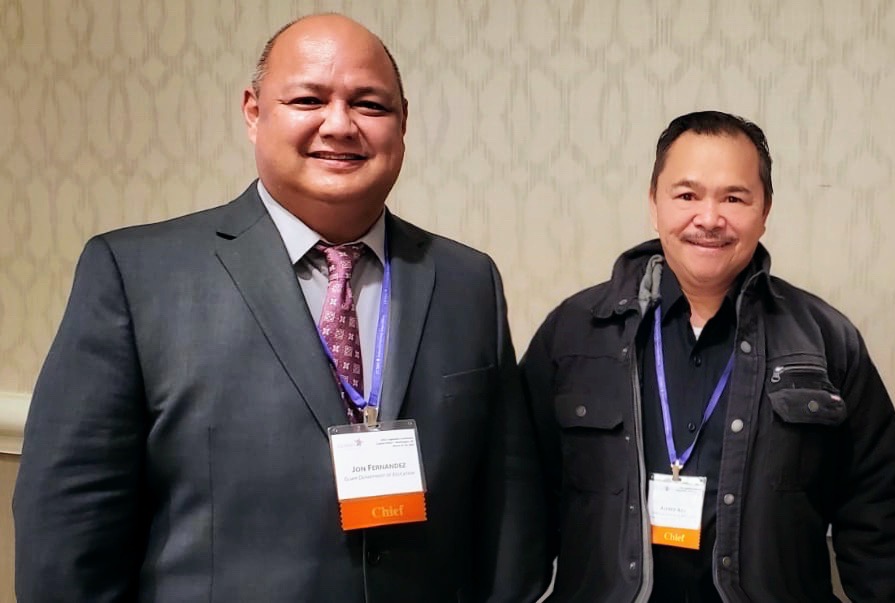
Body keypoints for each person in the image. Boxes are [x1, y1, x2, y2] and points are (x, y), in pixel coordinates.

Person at [13, 13, 547, 602]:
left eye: (370, 104)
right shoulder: (137, 274)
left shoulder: (465, 280)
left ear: (402, 123)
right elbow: (68, 522)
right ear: (253, 111)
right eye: (308, 99)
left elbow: (508, 507)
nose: (340, 124)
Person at [521, 110, 895, 602]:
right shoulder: (575, 334)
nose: (709, 219)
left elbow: (881, 523)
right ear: (654, 203)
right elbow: (518, 505)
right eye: (687, 195)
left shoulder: (824, 341)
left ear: (765, 210)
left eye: (733, 198)